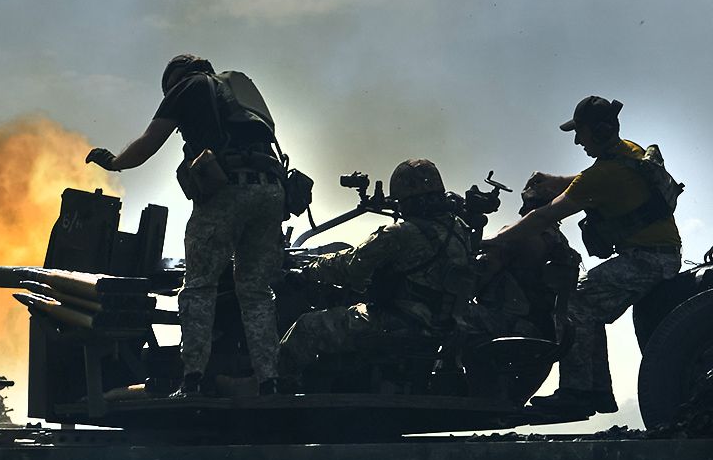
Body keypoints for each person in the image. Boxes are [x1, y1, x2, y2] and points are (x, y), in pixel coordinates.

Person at [86, 54, 285, 396]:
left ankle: (192, 379)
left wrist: (115, 162)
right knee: (256, 291)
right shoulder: (235, 95)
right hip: (272, 191)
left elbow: (149, 143)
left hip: (229, 192)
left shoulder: (187, 86)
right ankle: (269, 380)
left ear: (174, 79)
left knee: (198, 287)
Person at [484, 96, 683, 415]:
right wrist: (556, 181)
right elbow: (590, 179)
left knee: (575, 302)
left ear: (600, 131)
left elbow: (545, 216)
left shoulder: (602, 176)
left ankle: (577, 393)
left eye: (581, 132)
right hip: (661, 254)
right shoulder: (628, 152)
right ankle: (597, 392)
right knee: (589, 304)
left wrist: (494, 241)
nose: (577, 140)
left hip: (647, 261)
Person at [279, 159, 475, 383]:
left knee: (307, 327)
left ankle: (277, 389)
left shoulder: (401, 233)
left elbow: (352, 267)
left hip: (402, 323)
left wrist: (307, 272)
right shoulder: (459, 229)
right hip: (446, 326)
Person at [463, 173, 581, 341]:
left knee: (444, 312)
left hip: (505, 325)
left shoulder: (516, 236)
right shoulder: (560, 242)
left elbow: (476, 280)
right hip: (541, 331)